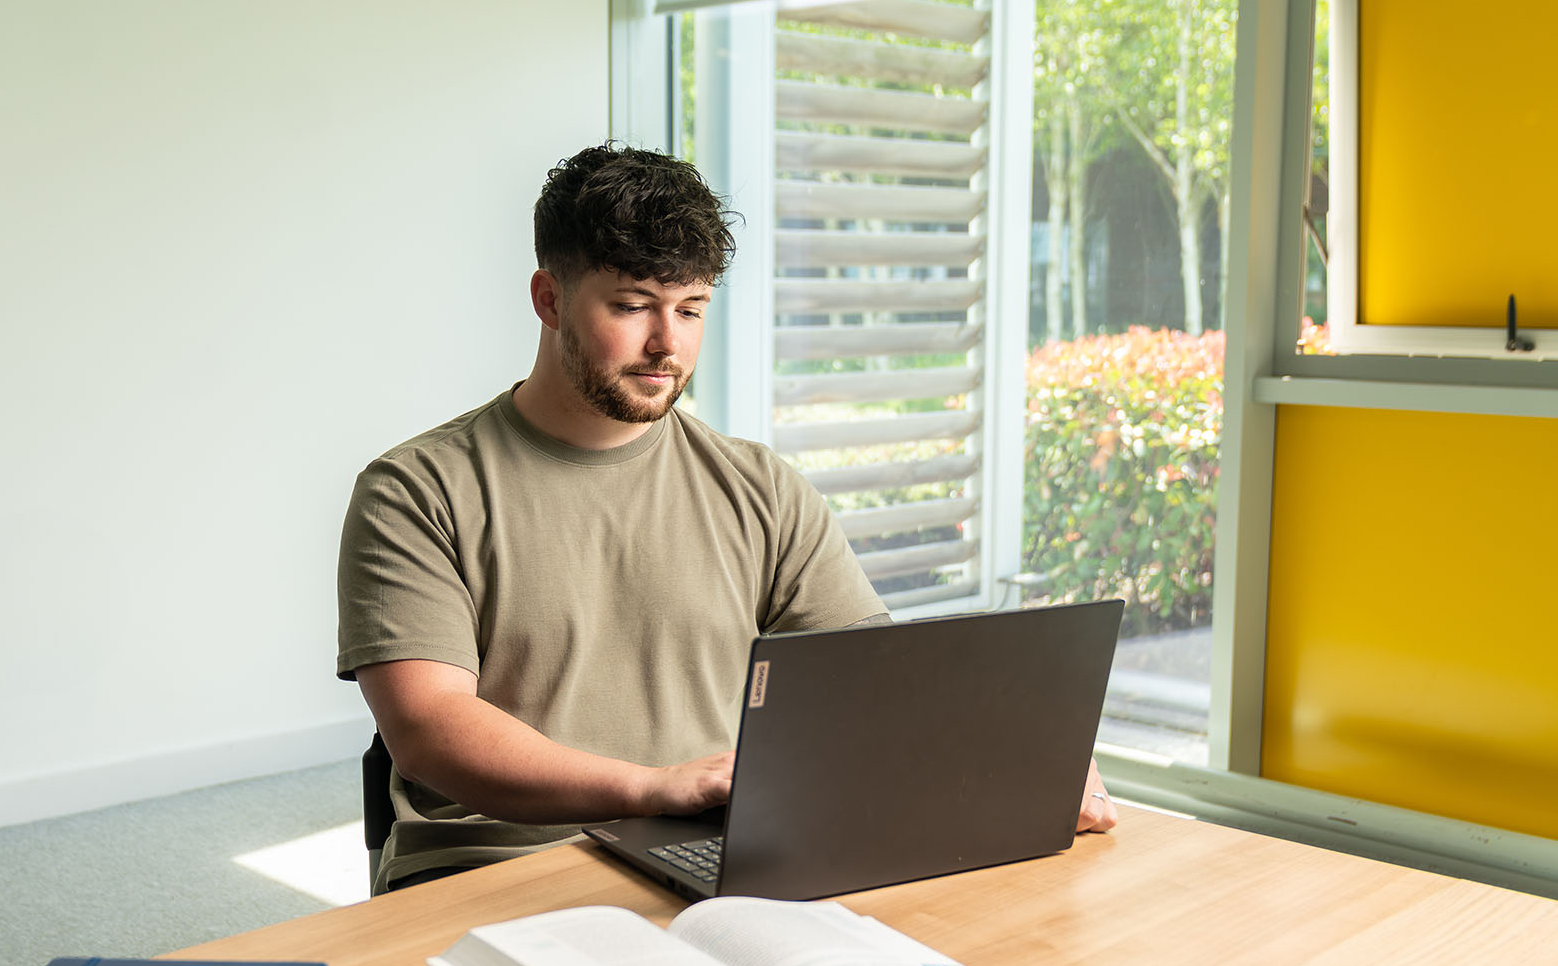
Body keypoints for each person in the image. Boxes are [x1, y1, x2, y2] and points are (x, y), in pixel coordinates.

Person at [337, 144, 1114, 893]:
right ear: (549, 299)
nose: (666, 344)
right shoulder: (417, 491)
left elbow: (873, 680)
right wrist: (651, 787)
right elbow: (431, 726)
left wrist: (1014, 752)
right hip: (493, 865)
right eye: (632, 306)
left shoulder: (760, 487)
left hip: (710, 850)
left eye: (691, 309)